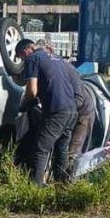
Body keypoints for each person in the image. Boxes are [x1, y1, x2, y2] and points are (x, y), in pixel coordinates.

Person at [15, 39, 78, 185]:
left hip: (57, 111)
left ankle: (35, 190)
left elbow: (32, 91)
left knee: (40, 149)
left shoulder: (32, 58)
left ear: (26, 51)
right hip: (72, 110)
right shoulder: (57, 58)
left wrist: (23, 106)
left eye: (21, 58)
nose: (23, 61)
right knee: (61, 149)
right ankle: (61, 187)